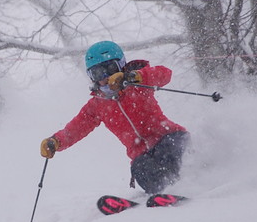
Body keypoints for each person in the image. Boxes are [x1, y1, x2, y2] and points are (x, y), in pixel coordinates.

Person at [40, 40, 189, 198]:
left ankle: (186, 185)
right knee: (140, 169)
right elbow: (77, 128)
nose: (105, 77)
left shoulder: (138, 84)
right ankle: (162, 194)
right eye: (97, 74)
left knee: (169, 152)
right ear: (92, 77)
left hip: (168, 137)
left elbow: (165, 74)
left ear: (121, 65)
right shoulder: (98, 105)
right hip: (141, 154)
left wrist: (136, 76)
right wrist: (56, 141)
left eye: (110, 69)